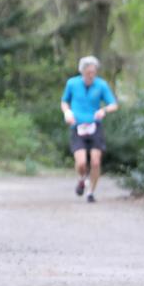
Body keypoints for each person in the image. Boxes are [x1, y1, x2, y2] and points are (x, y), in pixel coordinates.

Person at [60, 55, 119, 202]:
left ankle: (90, 192)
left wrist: (103, 110)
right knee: (80, 162)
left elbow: (113, 104)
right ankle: (81, 178)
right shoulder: (72, 84)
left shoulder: (101, 85)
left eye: (94, 72)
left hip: (94, 126)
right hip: (77, 125)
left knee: (95, 162)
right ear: (82, 71)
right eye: (88, 73)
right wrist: (67, 112)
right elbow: (64, 102)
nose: (91, 75)